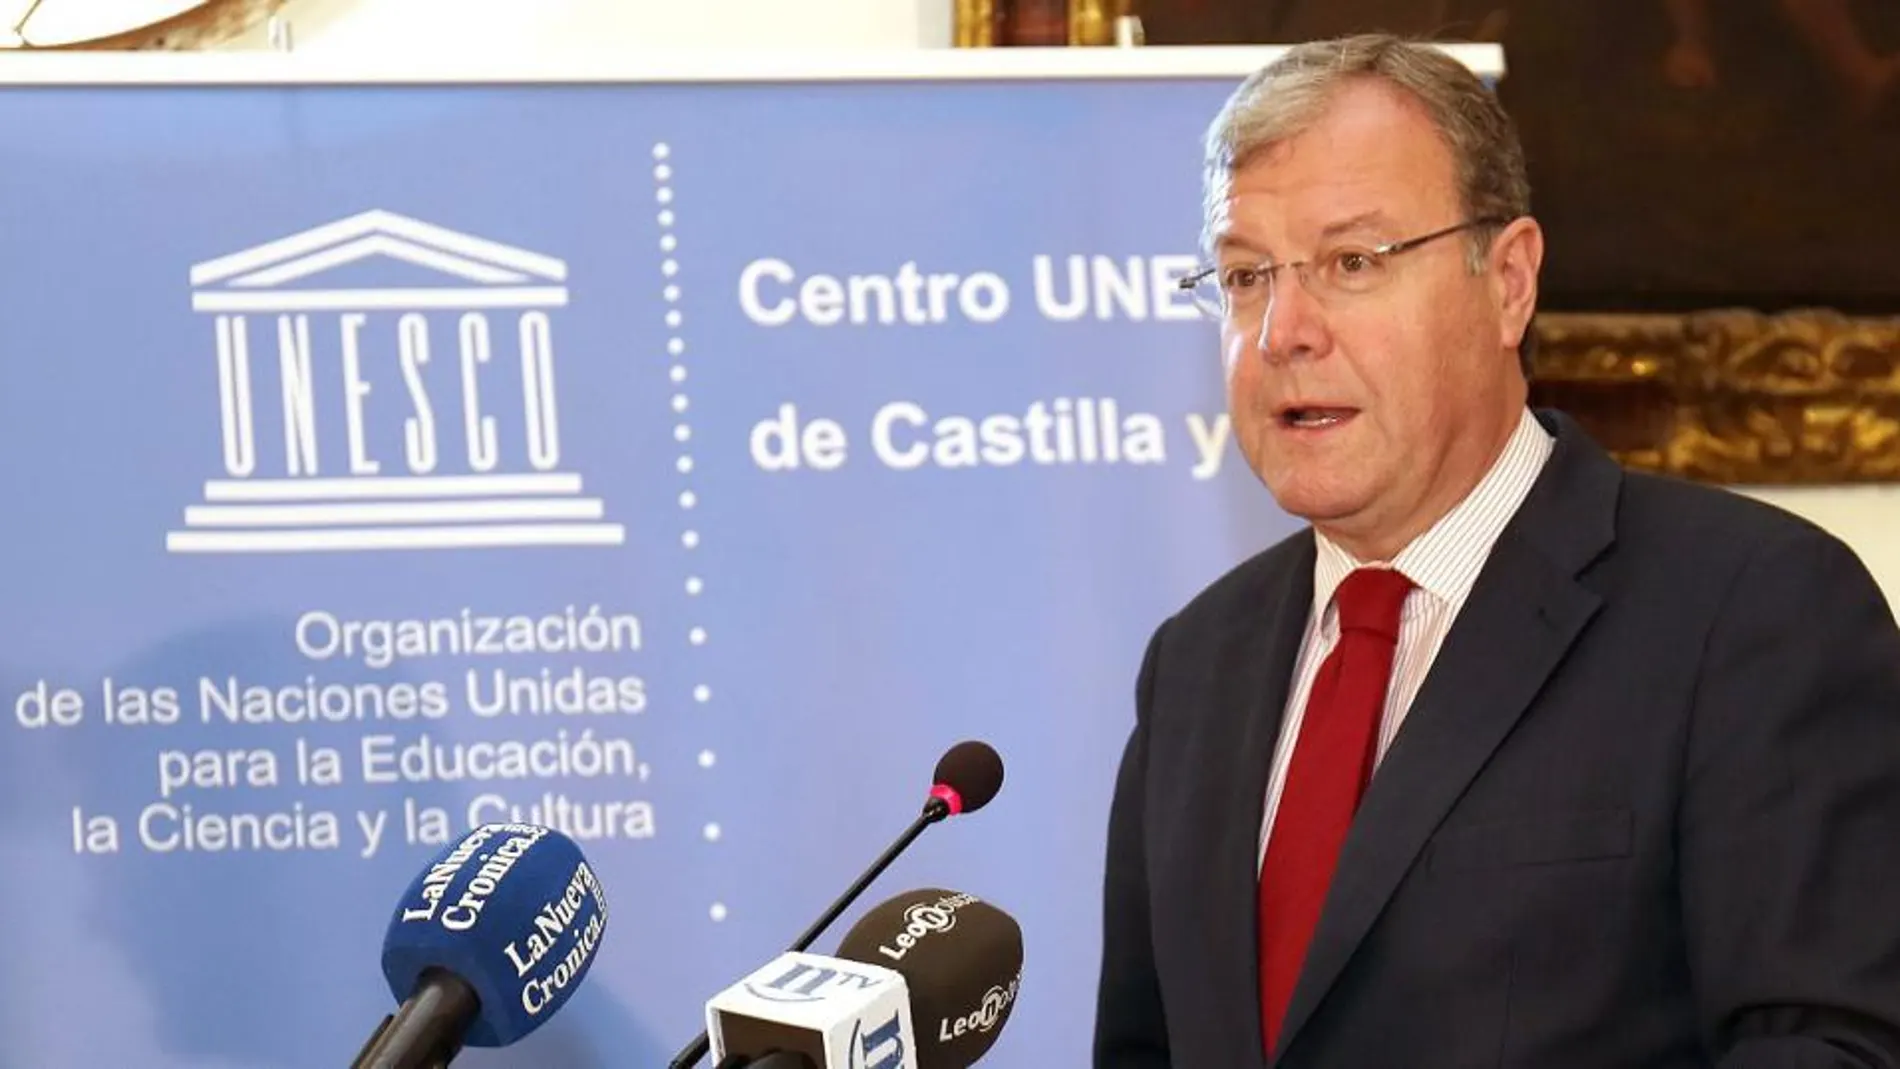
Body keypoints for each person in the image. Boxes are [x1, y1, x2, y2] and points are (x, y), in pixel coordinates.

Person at [1093, 32, 1900, 1069]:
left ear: (1508, 280)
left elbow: (1837, 1047)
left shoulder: (1752, 613)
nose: (1282, 330)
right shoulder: (1195, 665)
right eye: (1244, 276)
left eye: (1353, 262)